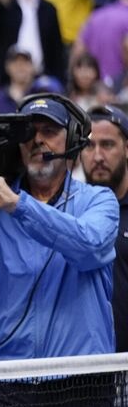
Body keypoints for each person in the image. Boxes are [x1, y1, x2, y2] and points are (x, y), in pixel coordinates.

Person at [0, 95, 118, 407]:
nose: (38, 139)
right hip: (1, 379)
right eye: (29, 132)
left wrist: (18, 206)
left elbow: (90, 245)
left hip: (82, 379)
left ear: (74, 140)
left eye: (50, 130)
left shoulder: (98, 200)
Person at [80, 104, 128, 353]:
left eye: (107, 145)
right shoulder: (68, 214)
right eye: (89, 146)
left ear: (127, 148)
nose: (97, 156)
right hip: (90, 370)